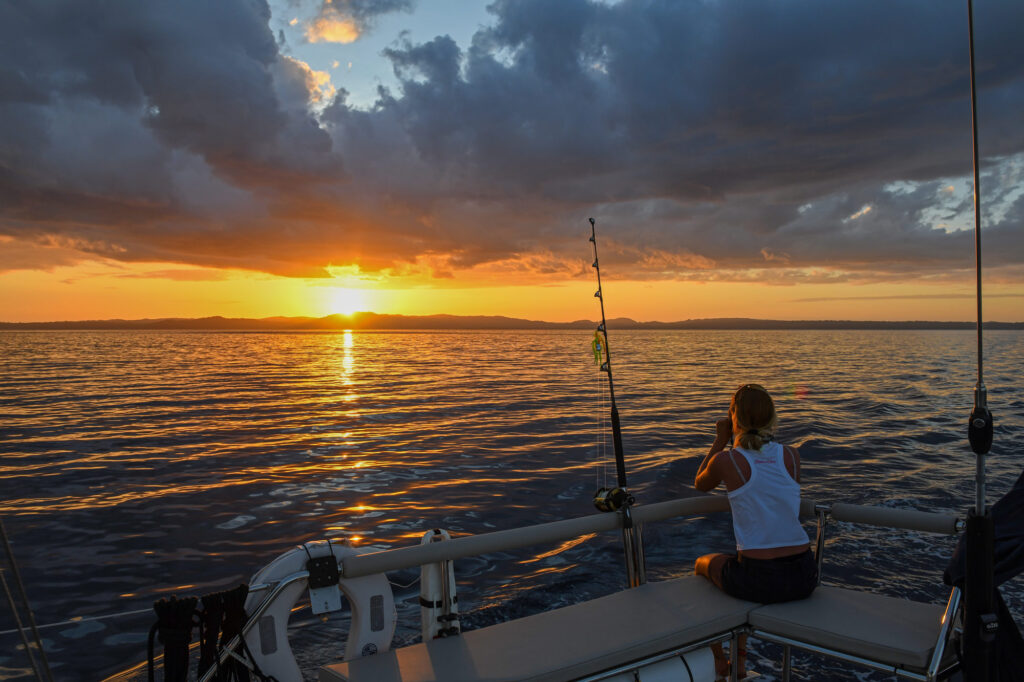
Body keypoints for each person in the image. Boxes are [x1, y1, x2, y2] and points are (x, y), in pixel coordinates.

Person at [693, 383, 817, 679]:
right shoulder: (792, 455)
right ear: (772, 417)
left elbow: (700, 483)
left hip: (759, 579)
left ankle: (721, 660)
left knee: (702, 565)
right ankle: (740, 664)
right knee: (738, 564)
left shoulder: (726, 460)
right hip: (804, 574)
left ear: (733, 417)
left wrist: (720, 439)